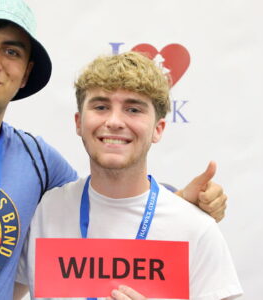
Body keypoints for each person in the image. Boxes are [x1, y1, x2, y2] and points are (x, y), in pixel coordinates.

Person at [0, 0, 227, 299]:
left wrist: (180, 200)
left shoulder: (38, 162)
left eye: (11, 51)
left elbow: (104, 195)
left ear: (26, 73)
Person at [17, 52, 243, 300]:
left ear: (158, 129)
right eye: (101, 107)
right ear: (79, 122)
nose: (114, 121)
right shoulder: (46, 211)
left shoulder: (195, 228)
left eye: (133, 109)